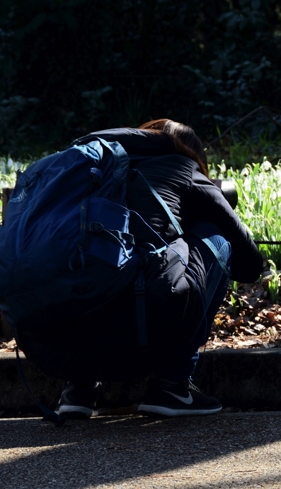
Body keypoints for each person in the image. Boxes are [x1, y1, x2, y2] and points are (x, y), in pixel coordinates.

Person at [40, 119, 265, 419]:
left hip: (69, 320)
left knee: (92, 260)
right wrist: (194, 226)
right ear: (193, 155)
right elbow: (250, 264)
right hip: (142, 314)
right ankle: (172, 384)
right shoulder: (183, 168)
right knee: (218, 239)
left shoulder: (92, 170)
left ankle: (77, 389)